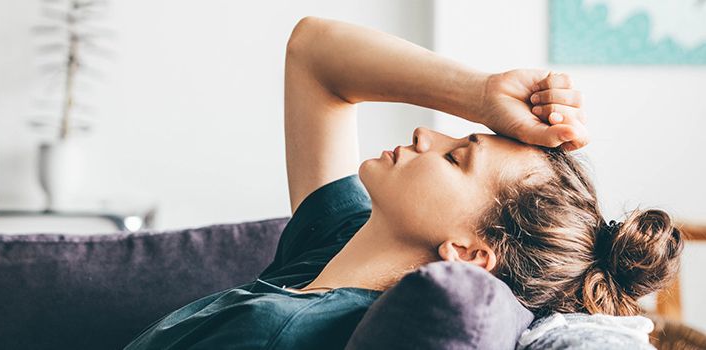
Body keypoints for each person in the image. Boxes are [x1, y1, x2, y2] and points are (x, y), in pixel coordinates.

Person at [124, 16, 683, 349]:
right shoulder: (336, 243)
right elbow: (314, 52)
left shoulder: (279, 330)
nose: (425, 134)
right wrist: (481, 93)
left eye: (457, 158)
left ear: (467, 253)